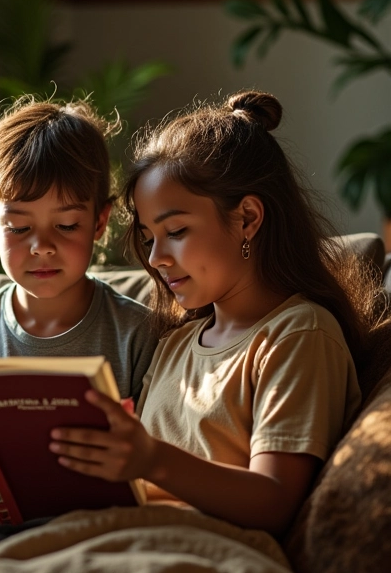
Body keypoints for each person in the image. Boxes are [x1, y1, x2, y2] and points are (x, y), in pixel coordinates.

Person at [49, 90, 379, 537]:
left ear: (247, 218)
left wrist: (151, 458)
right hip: (121, 537)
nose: (157, 257)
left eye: (177, 231)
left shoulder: (298, 334)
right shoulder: (175, 343)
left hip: (204, 560)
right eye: (148, 237)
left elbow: (276, 499)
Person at [0, 97, 159, 521]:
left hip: (97, 533)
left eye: (67, 225)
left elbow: (153, 473)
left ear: (100, 222)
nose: (42, 246)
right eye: (18, 227)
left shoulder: (136, 332)